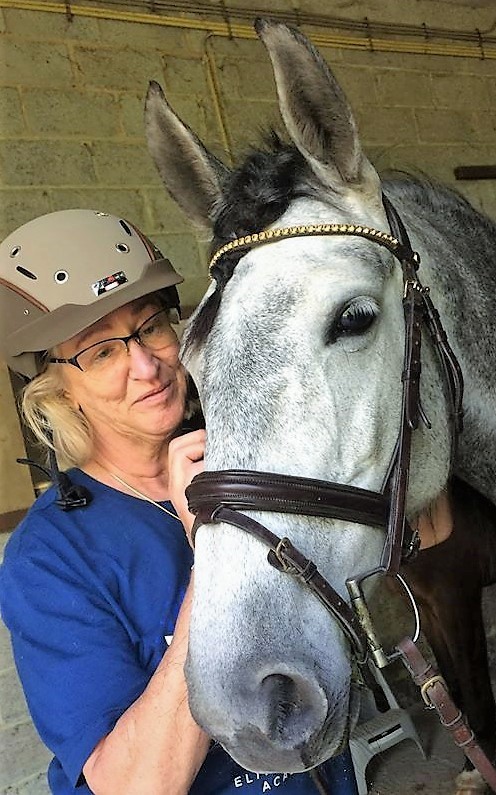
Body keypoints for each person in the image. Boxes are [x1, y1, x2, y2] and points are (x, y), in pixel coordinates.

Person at [0, 210, 359, 795]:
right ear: (57, 390)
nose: (146, 366)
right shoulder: (49, 558)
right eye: (100, 353)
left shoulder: (248, 468)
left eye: (150, 327)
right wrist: (212, 554)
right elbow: (137, 785)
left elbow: (428, 535)